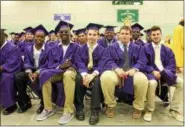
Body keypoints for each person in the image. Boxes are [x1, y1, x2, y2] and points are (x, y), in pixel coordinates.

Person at [100, 25, 148, 119]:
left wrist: (134, 69)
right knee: (106, 77)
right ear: (118, 35)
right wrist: (116, 69)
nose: (124, 35)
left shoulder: (137, 47)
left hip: (132, 71)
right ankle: (110, 106)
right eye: (122, 33)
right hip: (116, 72)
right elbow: (107, 60)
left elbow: (142, 61)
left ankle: (138, 107)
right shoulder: (112, 47)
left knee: (142, 79)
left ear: (130, 35)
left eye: (127, 34)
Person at [36, 20, 79, 125]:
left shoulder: (77, 47)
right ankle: (48, 108)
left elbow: (80, 62)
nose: (63, 33)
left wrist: (72, 66)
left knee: (68, 75)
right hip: (57, 71)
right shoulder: (53, 48)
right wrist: (61, 66)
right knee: (44, 75)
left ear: (70, 33)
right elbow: (50, 64)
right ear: (58, 34)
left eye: (66, 31)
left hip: (70, 72)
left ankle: (68, 110)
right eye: (61, 32)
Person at [143, 26, 183, 122]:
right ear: (150, 36)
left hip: (165, 74)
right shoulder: (145, 48)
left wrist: (163, 72)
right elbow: (143, 63)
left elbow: (172, 65)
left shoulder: (167, 50)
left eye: (158, 34)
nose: (156, 36)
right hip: (151, 74)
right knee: (152, 83)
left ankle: (174, 110)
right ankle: (149, 110)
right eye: (153, 35)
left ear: (161, 35)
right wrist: (153, 71)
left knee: (181, 83)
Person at [15, 24, 50, 114]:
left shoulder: (49, 49)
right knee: (18, 77)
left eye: (41, 37)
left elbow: (48, 63)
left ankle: (43, 104)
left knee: (43, 77)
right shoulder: (28, 48)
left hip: (43, 70)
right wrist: (29, 71)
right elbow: (26, 61)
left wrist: (38, 72)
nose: (39, 38)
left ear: (44, 38)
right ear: (34, 36)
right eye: (37, 36)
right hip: (31, 69)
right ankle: (25, 102)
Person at [74, 23, 104, 125]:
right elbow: (79, 62)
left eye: (94, 35)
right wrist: (84, 75)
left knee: (97, 81)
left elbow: (102, 63)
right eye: (90, 34)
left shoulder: (102, 49)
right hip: (84, 71)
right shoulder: (80, 48)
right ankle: (79, 108)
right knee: (78, 79)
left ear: (98, 36)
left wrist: (93, 74)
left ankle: (95, 110)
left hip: (95, 72)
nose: (92, 37)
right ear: (87, 35)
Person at [0, 29, 22, 115]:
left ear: (3, 36)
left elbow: (13, 63)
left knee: (6, 78)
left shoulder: (12, 47)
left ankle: (11, 105)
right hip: (2, 70)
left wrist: (2, 67)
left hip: (12, 70)